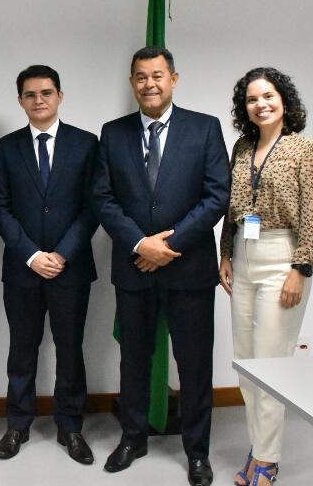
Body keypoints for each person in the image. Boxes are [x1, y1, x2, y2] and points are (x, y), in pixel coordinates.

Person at [93, 47, 230, 486]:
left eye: (157, 75)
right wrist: (139, 243)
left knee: (194, 364)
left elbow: (216, 195)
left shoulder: (204, 129)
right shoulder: (112, 134)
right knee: (134, 359)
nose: (149, 84)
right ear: (132, 83)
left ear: (174, 78)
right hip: (133, 267)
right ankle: (133, 438)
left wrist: (166, 244)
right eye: (140, 77)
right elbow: (102, 197)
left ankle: (197, 452)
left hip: (188, 269)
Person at [218, 68, 313, 486]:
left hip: (283, 256)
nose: (261, 104)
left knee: (270, 361)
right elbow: (232, 207)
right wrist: (225, 252)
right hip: (244, 256)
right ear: (243, 107)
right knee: (246, 364)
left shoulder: (305, 149)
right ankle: (259, 445)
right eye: (251, 99)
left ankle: (267, 459)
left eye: (268, 96)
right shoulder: (242, 148)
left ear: (285, 101)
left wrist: (301, 269)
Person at [0, 65, 99, 464]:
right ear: (20, 100)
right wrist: (32, 255)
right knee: (22, 349)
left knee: (70, 349)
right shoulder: (5, 147)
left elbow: (94, 206)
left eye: (46, 92)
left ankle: (70, 427)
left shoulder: (87, 144)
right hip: (22, 269)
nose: (39, 100)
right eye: (30, 94)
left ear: (60, 96)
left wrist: (62, 253)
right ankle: (17, 424)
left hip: (71, 267)